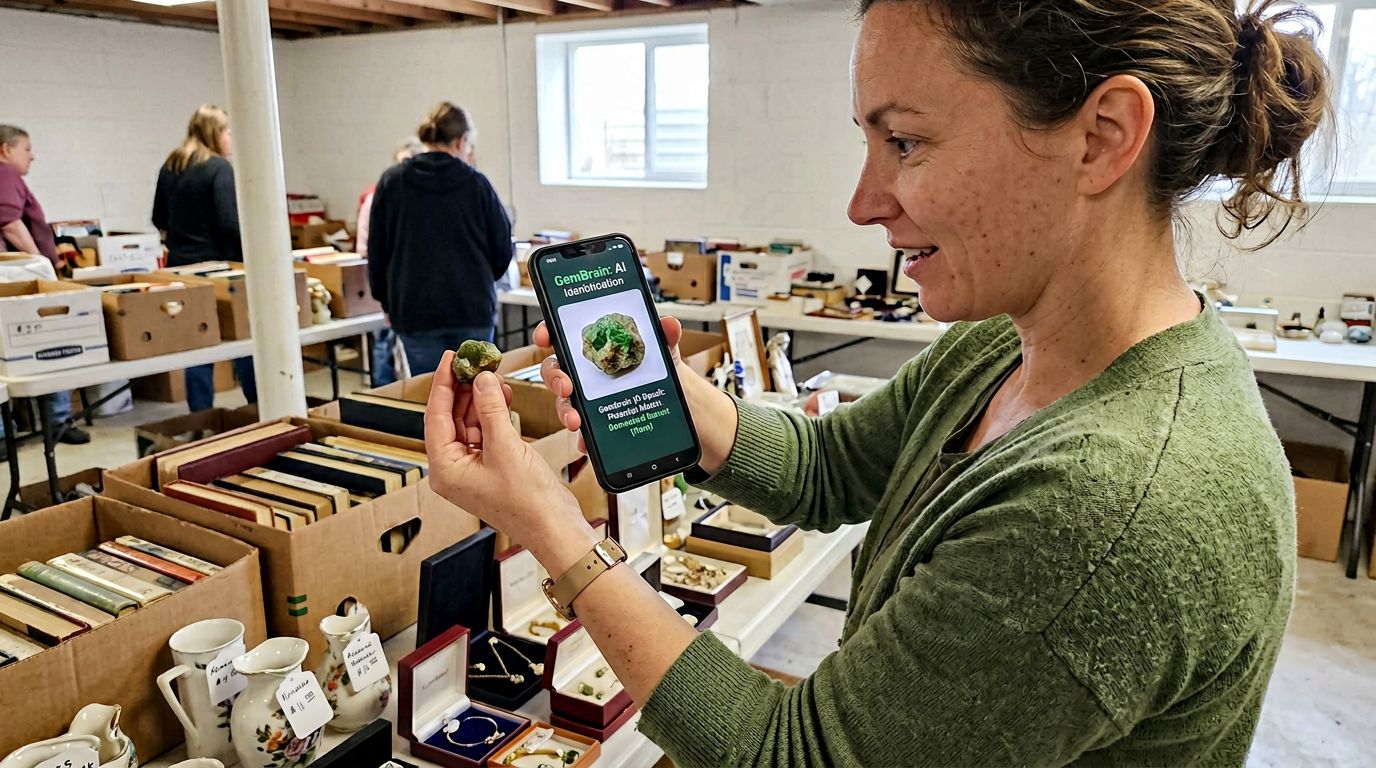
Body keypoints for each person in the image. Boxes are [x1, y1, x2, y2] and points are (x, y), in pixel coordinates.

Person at [422, 0, 1329, 765]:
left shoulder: (1107, 510)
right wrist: (675, 403)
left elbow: (790, 754)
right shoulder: (1009, 343)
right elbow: (833, 466)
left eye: (905, 142)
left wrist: (550, 527)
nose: (863, 201)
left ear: (1101, 139)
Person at [367, 102, 513, 375]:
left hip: (414, 309)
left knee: (432, 393)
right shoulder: (476, 183)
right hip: (471, 307)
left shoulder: (392, 181)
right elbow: (503, 248)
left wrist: (386, 300)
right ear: (462, 141)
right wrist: (478, 280)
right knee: (477, 394)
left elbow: (377, 251)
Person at [152, 105, 256, 413]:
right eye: (227, 131)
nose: (230, 137)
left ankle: (202, 416)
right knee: (245, 339)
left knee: (197, 343)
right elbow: (229, 223)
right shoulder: (218, 168)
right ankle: (260, 407)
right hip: (219, 269)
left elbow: (158, 217)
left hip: (181, 268)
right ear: (214, 132)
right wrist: (245, 264)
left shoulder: (171, 165)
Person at [0, 124, 90, 456]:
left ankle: (4, 433)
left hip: (11, 285)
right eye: (27, 148)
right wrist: (41, 266)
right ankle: (59, 421)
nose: (32, 155)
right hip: (20, 285)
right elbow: (9, 221)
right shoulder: (5, 174)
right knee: (54, 345)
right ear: (6, 150)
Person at [357, 137, 425, 386]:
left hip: (413, 298)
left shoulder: (422, 203)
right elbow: (369, 250)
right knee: (385, 350)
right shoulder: (379, 198)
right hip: (396, 295)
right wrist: (384, 298)